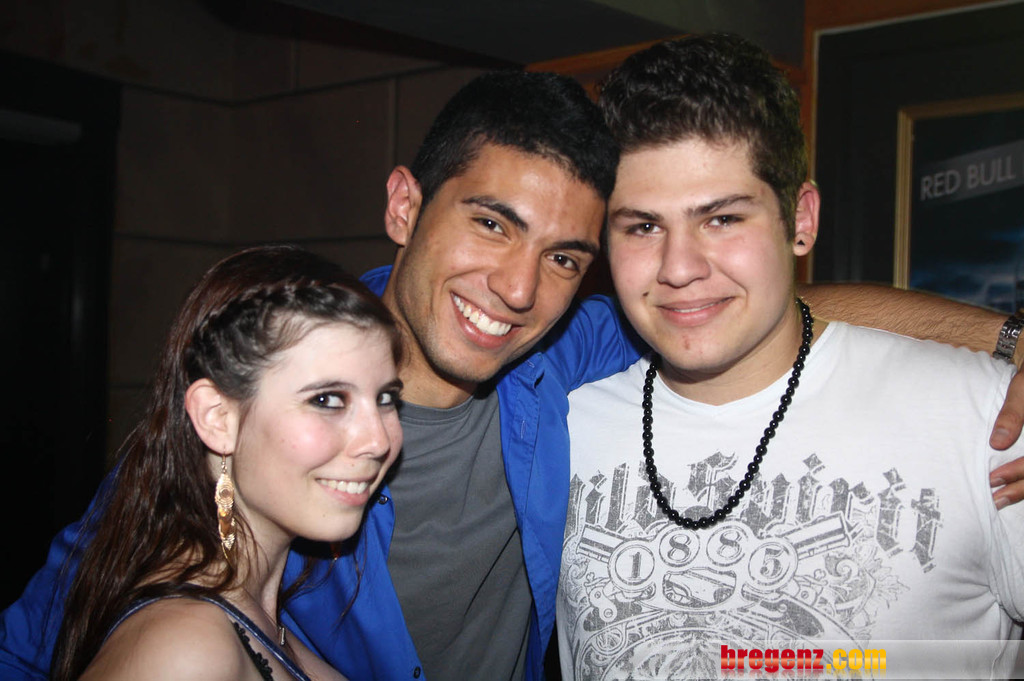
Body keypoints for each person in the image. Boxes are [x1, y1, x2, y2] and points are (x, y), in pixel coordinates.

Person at [3, 70, 1024, 681]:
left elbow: (760, 310)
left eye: (566, 255)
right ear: (405, 206)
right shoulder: (265, 395)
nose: (518, 287)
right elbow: (45, 638)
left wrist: (1010, 338)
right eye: (492, 223)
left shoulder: (566, 357)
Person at [556, 33, 1024, 679]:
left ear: (801, 219)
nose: (679, 268)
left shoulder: (987, 417)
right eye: (643, 226)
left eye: (722, 219)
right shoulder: (559, 424)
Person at [49, 245, 404, 680]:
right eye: (327, 400)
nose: (378, 440)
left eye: (386, 398)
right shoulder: (184, 650)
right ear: (217, 418)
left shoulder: (260, 619)